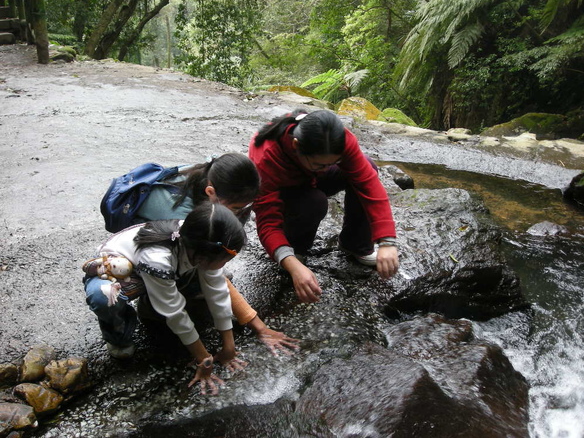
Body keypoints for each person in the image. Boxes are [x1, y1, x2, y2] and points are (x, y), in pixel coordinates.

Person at [132, 153, 299, 356]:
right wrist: (258, 326)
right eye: (236, 209)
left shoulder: (217, 181)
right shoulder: (184, 219)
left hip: (185, 242)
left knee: (208, 271)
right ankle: (149, 305)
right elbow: (212, 273)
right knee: (193, 277)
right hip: (143, 248)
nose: (240, 214)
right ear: (210, 192)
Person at [85, 203, 249, 395]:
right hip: (120, 271)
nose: (225, 264)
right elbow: (175, 313)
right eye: (225, 260)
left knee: (215, 278)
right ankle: (118, 336)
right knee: (104, 296)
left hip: (165, 269)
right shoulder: (159, 258)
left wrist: (229, 347)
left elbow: (218, 291)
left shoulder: (200, 238)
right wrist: (204, 359)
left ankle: (152, 304)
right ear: (201, 255)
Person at [249, 109, 400, 303]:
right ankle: (296, 250)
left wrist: (387, 241)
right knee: (314, 202)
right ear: (296, 145)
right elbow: (267, 221)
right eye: (320, 164)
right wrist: (292, 264)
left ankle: (355, 244)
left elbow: (368, 183)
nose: (328, 168)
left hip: (310, 177)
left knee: (368, 165)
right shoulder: (265, 158)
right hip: (290, 194)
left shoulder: (338, 140)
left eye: (334, 163)